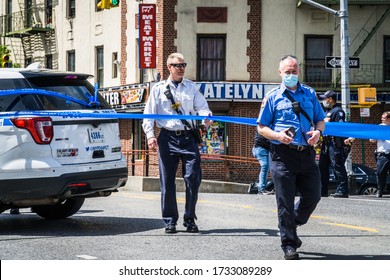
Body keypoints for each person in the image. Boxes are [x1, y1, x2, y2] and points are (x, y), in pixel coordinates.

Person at [257, 55, 325, 260]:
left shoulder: (310, 93)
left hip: (306, 154)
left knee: (314, 195)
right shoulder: (272, 97)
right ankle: (288, 243)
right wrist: (277, 136)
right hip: (282, 155)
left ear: (299, 72)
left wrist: (318, 133)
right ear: (280, 73)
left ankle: (290, 223)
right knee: (284, 201)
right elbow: (261, 128)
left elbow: (320, 120)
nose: (291, 74)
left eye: (294, 71)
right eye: (287, 71)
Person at [142, 53, 212, 234]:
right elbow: (148, 115)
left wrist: (206, 117)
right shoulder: (158, 89)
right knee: (167, 182)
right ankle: (170, 220)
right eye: (177, 65)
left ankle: (189, 219)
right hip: (167, 138)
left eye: (183, 65)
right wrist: (150, 136)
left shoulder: (191, 87)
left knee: (193, 179)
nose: (181, 68)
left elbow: (203, 107)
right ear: (169, 67)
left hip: (188, 138)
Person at [318, 90, 350, 198]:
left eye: (325, 98)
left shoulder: (338, 111)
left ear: (330, 99)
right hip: (325, 143)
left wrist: (328, 123)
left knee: (337, 166)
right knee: (322, 167)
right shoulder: (327, 111)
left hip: (334, 143)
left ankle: (342, 190)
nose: (323, 101)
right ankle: (322, 191)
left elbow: (339, 128)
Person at [370, 111, 390, 198]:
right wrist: (379, 136)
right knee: (380, 173)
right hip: (383, 154)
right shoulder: (380, 127)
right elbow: (372, 139)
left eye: (384, 118)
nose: (382, 119)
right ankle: (380, 190)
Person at [252, 130, 271, 194]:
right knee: (265, 166)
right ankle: (262, 188)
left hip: (264, 149)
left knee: (270, 167)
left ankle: (262, 186)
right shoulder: (263, 126)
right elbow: (262, 139)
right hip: (261, 148)